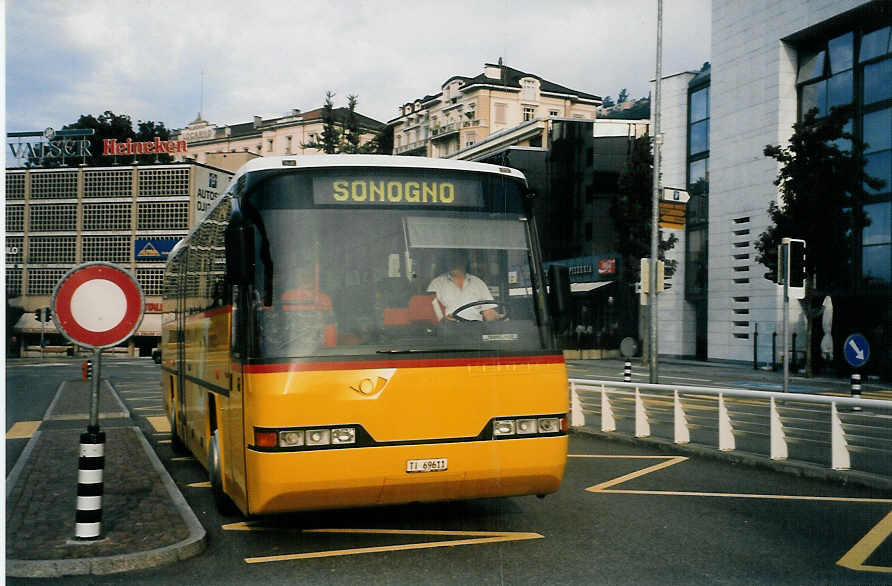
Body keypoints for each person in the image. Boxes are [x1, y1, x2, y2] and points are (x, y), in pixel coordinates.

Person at [427, 250, 501, 321]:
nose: (454, 261)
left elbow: (488, 311)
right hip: (447, 330)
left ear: (465, 260)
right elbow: (430, 313)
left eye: (458, 258)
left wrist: (496, 316)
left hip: (475, 328)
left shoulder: (478, 283)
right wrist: (443, 319)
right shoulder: (437, 284)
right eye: (452, 258)